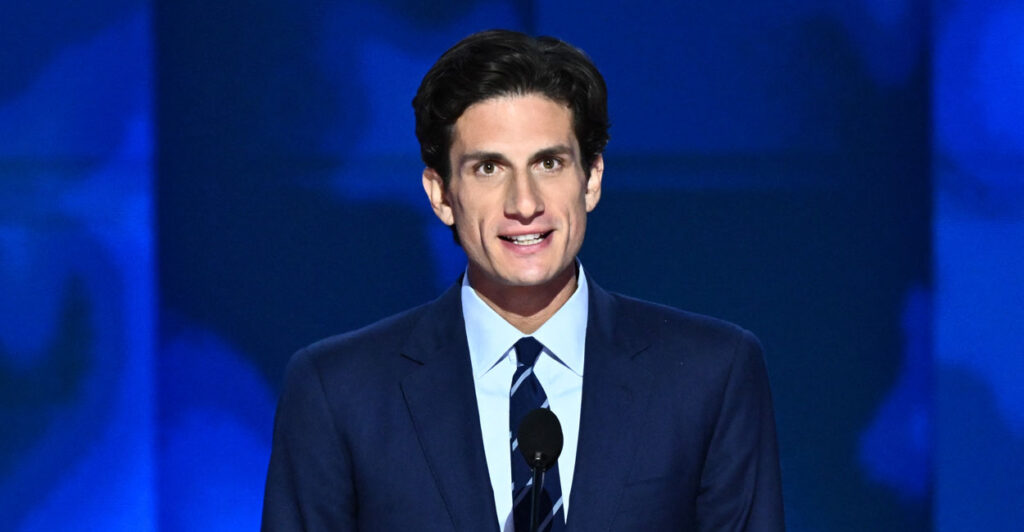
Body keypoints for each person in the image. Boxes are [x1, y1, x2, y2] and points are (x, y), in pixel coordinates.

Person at [262, 29, 784, 531]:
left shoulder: (711, 374)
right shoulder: (337, 391)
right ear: (441, 194)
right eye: (489, 168)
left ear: (592, 178)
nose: (525, 204)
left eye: (549, 163)